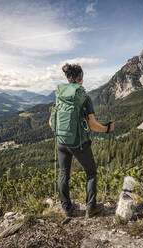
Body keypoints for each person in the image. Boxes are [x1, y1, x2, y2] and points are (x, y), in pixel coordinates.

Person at [49, 63, 114, 218]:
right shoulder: (84, 97)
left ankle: (67, 208)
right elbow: (92, 125)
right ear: (81, 78)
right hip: (79, 143)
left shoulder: (59, 95)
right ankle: (91, 208)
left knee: (64, 173)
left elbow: (51, 123)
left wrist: (62, 134)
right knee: (91, 172)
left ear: (68, 77)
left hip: (61, 142)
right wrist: (107, 129)